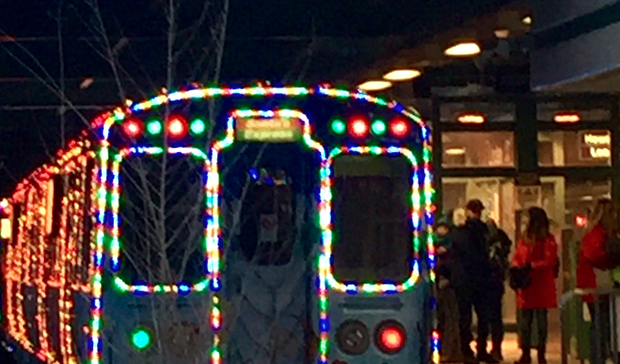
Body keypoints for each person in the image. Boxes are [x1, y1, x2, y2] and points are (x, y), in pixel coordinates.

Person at [450, 200, 496, 363]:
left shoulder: (458, 232)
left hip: (463, 280)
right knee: (483, 316)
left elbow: (457, 254)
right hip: (481, 279)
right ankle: (482, 349)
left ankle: (466, 351)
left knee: (465, 316)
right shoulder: (484, 231)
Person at [511, 207, 558, 364]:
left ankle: (536, 354)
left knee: (534, 320)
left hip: (537, 283)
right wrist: (517, 266)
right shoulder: (532, 238)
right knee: (530, 320)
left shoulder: (542, 239)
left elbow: (549, 260)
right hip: (530, 283)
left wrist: (529, 265)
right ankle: (531, 353)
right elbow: (518, 256)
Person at [576, 199, 618, 364]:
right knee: (600, 324)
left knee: (601, 323)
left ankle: (599, 356)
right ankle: (598, 358)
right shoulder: (596, 234)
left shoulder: (596, 233)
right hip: (595, 285)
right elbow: (595, 256)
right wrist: (611, 258)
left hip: (596, 283)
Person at [436, 212, 462, 363]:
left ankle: (449, 352)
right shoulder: (446, 244)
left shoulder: (450, 246)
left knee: (449, 319)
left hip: (448, 286)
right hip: (447, 285)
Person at [485, 219, 512, 361]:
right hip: (497, 281)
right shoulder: (502, 241)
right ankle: (496, 348)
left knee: (488, 317)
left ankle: (487, 347)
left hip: (485, 281)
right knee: (496, 317)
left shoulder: (485, 240)